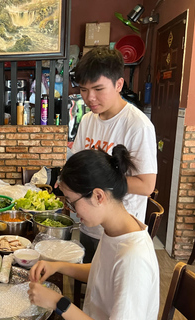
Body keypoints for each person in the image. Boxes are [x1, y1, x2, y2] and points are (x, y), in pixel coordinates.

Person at [28, 146, 159, 320]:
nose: (72, 210)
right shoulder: (116, 230)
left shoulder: (133, 258)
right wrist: (57, 266)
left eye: (72, 202)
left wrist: (58, 303)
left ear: (98, 196)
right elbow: (101, 273)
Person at [70, 47, 157, 262]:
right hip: (90, 223)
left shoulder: (137, 125)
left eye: (98, 89)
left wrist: (101, 181)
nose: (90, 98)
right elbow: (79, 163)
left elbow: (146, 186)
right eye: (83, 90)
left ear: (119, 84)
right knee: (92, 288)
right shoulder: (89, 119)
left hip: (120, 234)